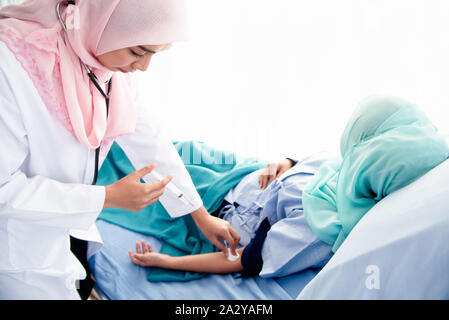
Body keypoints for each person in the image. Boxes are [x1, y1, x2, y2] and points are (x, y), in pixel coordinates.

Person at [0, 0, 239, 300]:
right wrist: (107, 197)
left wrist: (200, 215)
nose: (143, 67)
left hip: (65, 224)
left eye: (156, 53)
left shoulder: (102, 57)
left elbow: (150, 141)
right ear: (100, 20)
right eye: (139, 51)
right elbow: (3, 190)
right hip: (15, 245)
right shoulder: (10, 65)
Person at [128, 96, 449, 278]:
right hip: (243, 171)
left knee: (136, 169)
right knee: (171, 146)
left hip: (219, 207)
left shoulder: (322, 228)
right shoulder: (349, 166)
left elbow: (243, 259)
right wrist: (285, 163)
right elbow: (309, 164)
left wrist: (165, 262)